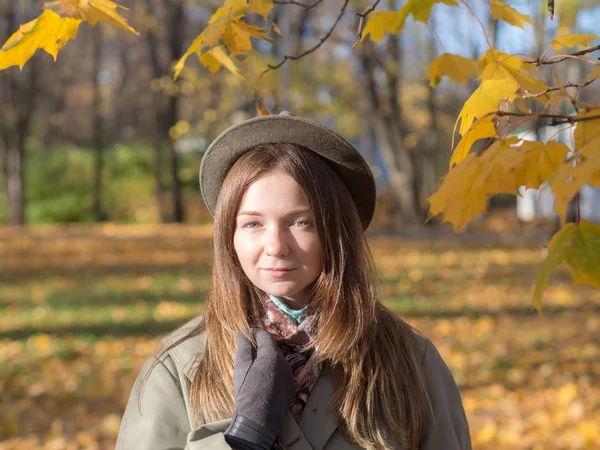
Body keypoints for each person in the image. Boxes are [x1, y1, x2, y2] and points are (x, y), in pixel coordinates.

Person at [116, 112, 472, 450]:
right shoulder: (181, 367)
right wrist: (246, 435)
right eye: (253, 224)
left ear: (336, 232)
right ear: (230, 236)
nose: (276, 246)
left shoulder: (410, 362)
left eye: (301, 221)